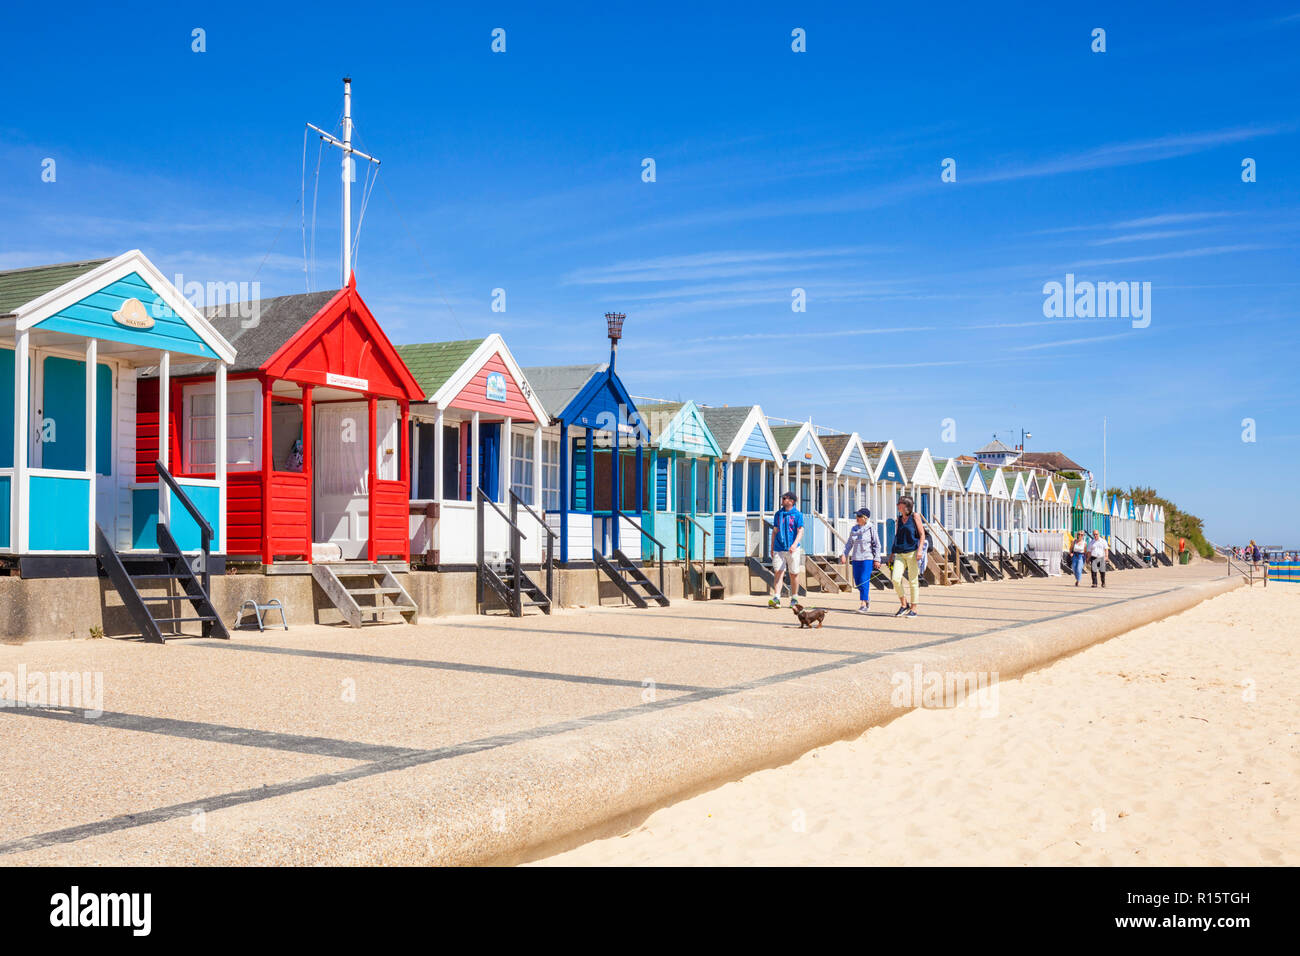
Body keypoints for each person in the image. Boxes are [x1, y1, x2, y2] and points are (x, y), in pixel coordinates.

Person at [890, 496, 926, 617]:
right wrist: (892, 554)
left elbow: (922, 535)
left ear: (906, 506)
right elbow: (897, 537)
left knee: (913, 581)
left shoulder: (915, 516)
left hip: (913, 553)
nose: (897, 505)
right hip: (900, 553)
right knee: (895, 578)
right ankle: (904, 604)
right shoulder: (899, 519)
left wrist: (920, 550)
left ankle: (914, 608)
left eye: (899, 503)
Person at [768, 491, 804, 608]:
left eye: (785, 498)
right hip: (779, 547)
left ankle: (794, 597)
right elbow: (775, 531)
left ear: (791, 501)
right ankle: (776, 597)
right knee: (778, 571)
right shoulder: (778, 514)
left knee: (793, 573)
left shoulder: (798, 515)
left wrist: (794, 544)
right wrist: (772, 547)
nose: (782, 500)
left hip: (793, 548)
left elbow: (800, 531)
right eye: (782, 498)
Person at [840, 507, 880, 613]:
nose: (857, 518)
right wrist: (844, 554)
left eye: (859, 516)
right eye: (856, 516)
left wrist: (877, 559)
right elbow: (849, 543)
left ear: (865, 518)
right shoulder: (854, 529)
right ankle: (866, 597)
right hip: (856, 558)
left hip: (867, 558)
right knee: (857, 581)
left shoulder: (871, 528)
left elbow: (877, 545)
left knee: (864, 579)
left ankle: (863, 604)